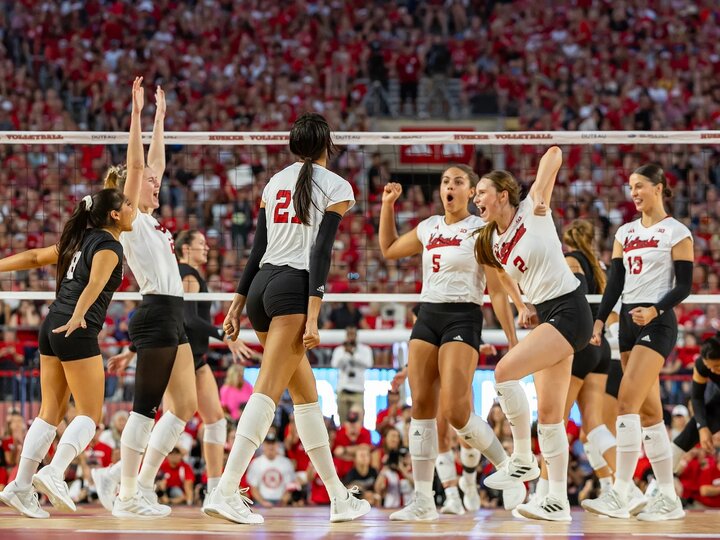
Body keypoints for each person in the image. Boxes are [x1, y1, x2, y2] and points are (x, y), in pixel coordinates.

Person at [203, 112, 370, 524]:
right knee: (266, 390)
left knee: (307, 398)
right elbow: (321, 252)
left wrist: (237, 304)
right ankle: (225, 488)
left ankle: (338, 497)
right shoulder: (337, 186)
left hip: (261, 287)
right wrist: (313, 314)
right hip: (293, 289)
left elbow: (256, 247)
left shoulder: (273, 181)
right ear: (328, 144)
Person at [0, 78, 142, 519]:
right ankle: (55, 471)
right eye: (130, 207)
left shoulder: (81, 238)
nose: (136, 210)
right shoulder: (108, 246)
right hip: (73, 328)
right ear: (116, 214)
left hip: (50, 326)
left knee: (50, 409)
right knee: (90, 415)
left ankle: (20, 486)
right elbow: (97, 285)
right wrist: (80, 318)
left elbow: (32, 257)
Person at [379, 165, 524, 522]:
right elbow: (388, 249)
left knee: (457, 412)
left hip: (463, 315)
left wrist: (511, 337)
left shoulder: (480, 230)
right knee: (422, 408)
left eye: (458, 182)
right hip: (428, 314)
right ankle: (424, 500)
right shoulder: (429, 227)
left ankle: (509, 468)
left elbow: (496, 287)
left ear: (472, 192)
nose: (450, 187)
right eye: (446, 182)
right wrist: (387, 205)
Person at [96, 81, 200, 518]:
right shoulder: (131, 219)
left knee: (185, 406)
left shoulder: (152, 219)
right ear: (129, 191)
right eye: (148, 183)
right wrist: (136, 116)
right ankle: (125, 494)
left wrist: (160, 120)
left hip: (172, 315)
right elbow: (139, 165)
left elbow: (152, 163)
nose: (156, 185)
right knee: (145, 407)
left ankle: (136, 481)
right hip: (156, 312)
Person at [473, 147, 594, 522]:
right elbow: (505, 275)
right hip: (546, 313)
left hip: (571, 309)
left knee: (503, 372)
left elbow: (554, 153)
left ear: (502, 196)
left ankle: (522, 458)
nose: (476, 198)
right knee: (552, 416)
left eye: (481, 192)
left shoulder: (531, 206)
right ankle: (557, 500)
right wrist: (521, 304)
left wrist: (541, 199)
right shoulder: (492, 239)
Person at [94, 230, 252, 513]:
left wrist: (131, 351)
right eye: (200, 243)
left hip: (195, 354)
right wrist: (225, 335)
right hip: (183, 352)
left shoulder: (188, 274)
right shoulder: (185, 274)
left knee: (214, 421)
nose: (206, 248)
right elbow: (186, 318)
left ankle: (213, 491)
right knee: (172, 417)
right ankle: (131, 479)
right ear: (185, 249)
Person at [582, 163, 693, 521]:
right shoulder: (625, 232)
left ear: (659, 187)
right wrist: (599, 319)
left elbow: (684, 286)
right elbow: (614, 281)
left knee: (626, 401)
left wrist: (656, 311)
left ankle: (621, 490)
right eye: (631, 187)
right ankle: (668, 497)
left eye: (640, 186)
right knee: (649, 413)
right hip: (627, 325)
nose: (634, 193)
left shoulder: (676, 232)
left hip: (657, 324)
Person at [527, 220, 620, 512]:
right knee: (593, 426)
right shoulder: (601, 268)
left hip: (579, 344)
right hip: (602, 347)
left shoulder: (571, 260)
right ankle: (621, 486)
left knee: (554, 420)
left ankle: (544, 494)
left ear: (567, 242)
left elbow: (575, 295)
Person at [671, 335, 720, 472]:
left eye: (717, 366)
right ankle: (660, 485)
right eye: (709, 367)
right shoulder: (702, 365)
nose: (713, 371)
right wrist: (702, 427)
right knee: (687, 435)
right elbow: (697, 398)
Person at [331, 326, 374, 423]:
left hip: (357, 390)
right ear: (346, 335)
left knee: (358, 422)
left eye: (353, 334)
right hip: (343, 390)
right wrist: (346, 353)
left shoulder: (365, 350)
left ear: (356, 335)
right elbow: (335, 364)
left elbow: (369, 364)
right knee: (343, 422)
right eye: (349, 334)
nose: (351, 337)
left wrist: (353, 354)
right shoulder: (339, 350)